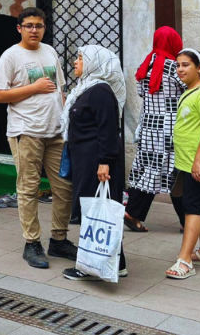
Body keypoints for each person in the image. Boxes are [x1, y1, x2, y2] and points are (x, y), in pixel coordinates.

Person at [0, 7, 76, 269]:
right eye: (28, 25)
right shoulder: (11, 56)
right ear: (19, 28)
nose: (34, 30)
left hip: (55, 131)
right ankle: (32, 243)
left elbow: (60, 89)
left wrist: (64, 119)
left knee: (64, 187)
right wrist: (33, 88)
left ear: (44, 28)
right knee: (28, 189)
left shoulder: (50, 51)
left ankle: (59, 239)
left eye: (38, 25)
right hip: (26, 131)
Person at [61, 45, 128, 281]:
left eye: (80, 58)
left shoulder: (100, 91)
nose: (75, 62)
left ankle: (89, 265)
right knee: (96, 211)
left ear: (95, 64)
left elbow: (108, 130)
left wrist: (104, 162)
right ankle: (116, 263)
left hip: (96, 162)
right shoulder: (86, 89)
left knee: (96, 212)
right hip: (86, 160)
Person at [125, 26, 186, 232]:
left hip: (149, 127)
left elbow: (143, 93)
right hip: (170, 128)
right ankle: (190, 221)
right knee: (176, 171)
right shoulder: (174, 67)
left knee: (150, 170)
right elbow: (189, 89)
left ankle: (132, 212)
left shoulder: (146, 64)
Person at [166, 48, 200, 279]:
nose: (180, 69)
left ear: (199, 67)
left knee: (192, 207)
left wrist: (198, 160)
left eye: (185, 65)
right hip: (188, 161)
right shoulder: (191, 91)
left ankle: (185, 260)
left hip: (196, 163)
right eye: (178, 65)